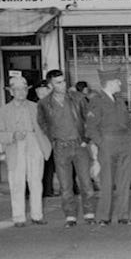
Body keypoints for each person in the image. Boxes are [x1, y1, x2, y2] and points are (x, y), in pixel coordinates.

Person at [37, 69, 98, 228]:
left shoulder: (78, 98)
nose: (63, 85)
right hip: (60, 147)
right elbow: (42, 123)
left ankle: (89, 214)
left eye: (63, 81)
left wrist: (86, 139)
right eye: (58, 82)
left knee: (86, 183)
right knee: (65, 186)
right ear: (50, 85)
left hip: (79, 145)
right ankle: (70, 216)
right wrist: (53, 139)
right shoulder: (44, 104)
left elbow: (89, 119)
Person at [0, 76, 52, 227]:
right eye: (17, 89)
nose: (21, 92)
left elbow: (46, 127)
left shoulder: (36, 107)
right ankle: (18, 217)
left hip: (35, 144)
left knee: (36, 182)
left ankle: (37, 215)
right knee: (17, 183)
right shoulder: (4, 111)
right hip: (15, 146)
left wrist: (46, 144)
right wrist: (12, 136)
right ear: (11, 92)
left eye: (24, 89)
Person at [85, 67, 131, 226]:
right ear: (109, 83)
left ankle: (123, 216)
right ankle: (104, 217)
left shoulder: (119, 100)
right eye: (117, 80)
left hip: (124, 143)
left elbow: (127, 124)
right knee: (106, 182)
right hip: (107, 143)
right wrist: (102, 144)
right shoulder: (97, 101)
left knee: (124, 181)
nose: (120, 83)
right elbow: (91, 128)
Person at [32, 80, 57, 197]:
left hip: (53, 139)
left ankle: (48, 189)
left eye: (43, 90)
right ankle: (44, 190)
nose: (40, 92)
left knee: (50, 166)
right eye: (38, 91)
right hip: (39, 140)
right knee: (42, 166)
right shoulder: (35, 106)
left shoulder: (54, 104)